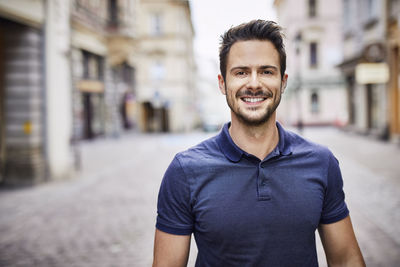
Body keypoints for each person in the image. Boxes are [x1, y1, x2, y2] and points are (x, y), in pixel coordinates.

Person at [153, 20, 365, 267]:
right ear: (222, 83)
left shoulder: (320, 162)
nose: (254, 83)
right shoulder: (185, 170)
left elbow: (346, 259)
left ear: (283, 82)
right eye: (241, 72)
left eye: (266, 71)